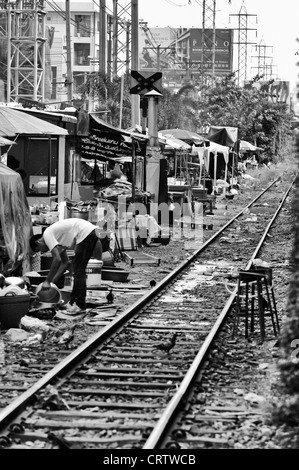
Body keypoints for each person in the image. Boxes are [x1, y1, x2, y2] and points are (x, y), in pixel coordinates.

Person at [29, 218, 102, 315]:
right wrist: (52, 282)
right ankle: (72, 303)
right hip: (89, 232)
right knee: (78, 270)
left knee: (78, 270)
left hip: (86, 233)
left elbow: (57, 259)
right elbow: (65, 262)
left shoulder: (47, 234)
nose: (43, 252)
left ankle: (80, 305)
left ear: (38, 243)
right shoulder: (57, 240)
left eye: (40, 250)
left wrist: (47, 281)